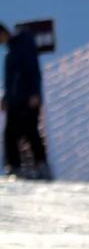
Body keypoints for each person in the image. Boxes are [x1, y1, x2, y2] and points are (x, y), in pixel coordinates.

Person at [1, 23, 51, 180]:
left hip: (27, 98)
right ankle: (15, 168)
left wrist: (34, 93)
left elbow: (32, 70)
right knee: (11, 134)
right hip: (15, 100)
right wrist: (5, 98)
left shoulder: (23, 44)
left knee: (30, 132)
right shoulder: (10, 51)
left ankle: (41, 167)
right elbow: (10, 80)